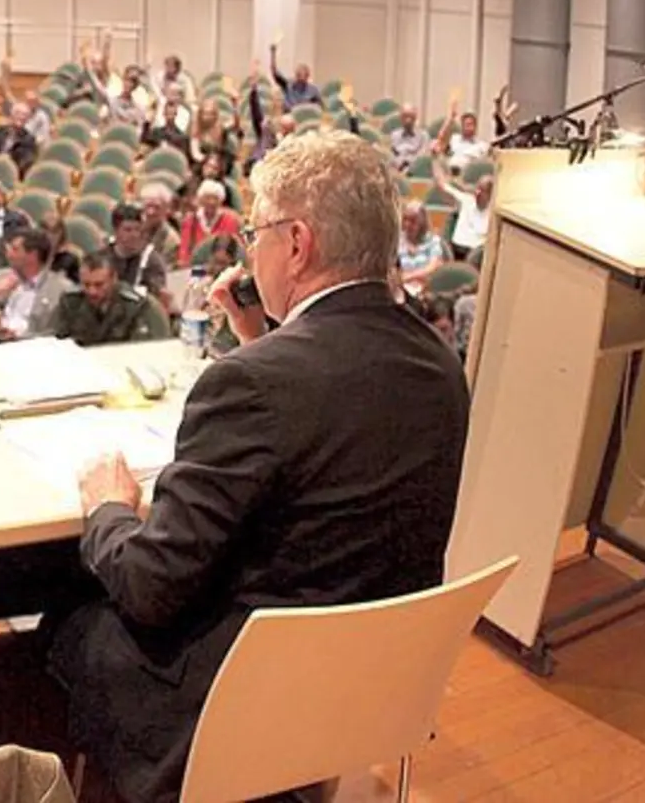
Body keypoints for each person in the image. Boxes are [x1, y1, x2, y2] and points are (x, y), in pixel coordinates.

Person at [50, 131, 470, 803]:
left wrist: (107, 506)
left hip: (241, 703)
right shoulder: (439, 365)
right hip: (366, 687)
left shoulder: (252, 385)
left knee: (69, 618)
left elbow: (149, 587)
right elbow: (337, 421)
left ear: (297, 244)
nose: (250, 252)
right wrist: (269, 339)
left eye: (255, 234)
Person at [0, 228, 73, 341]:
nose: (8, 254)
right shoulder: (0, 277)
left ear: (32, 255)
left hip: (31, 348)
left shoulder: (60, 288)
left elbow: (54, 332)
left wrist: (18, 336)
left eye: (15, 249)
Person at [54, 251, 157, 347]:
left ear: (114, 279)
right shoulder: (70, 302)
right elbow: (56, 342)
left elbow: (139, 350)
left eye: (99, 285)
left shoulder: (134, 306)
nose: (92, 291)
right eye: (86, 284)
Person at [102, 203, 170, 313]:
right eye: (128, 230)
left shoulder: (151, 260)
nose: (134, 235)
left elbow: (157, 300)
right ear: (116, 231)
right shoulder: (103, 257)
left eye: (137, 229)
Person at [431, 153, 494, 259]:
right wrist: (435, 158)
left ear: (490, 194)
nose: (478, 193)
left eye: (482, 190)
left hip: (479, 257)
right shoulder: (466, 200)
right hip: (456, 251)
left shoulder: (493, 213)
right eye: (477, 188)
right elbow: (442, 184)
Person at [178, 179, 242, 266]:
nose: (211, 202)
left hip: (223, 267)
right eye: (208, 198)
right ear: (200, 200)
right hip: (196, 267)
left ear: (221, 201)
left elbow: (236, 248)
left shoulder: (230, 220)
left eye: (215, 198)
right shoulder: (190, 220)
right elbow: (184, 251)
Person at [0, 56, 53, 145]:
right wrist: (4, 75)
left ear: (37, 102)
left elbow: (42, 139)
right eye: (28, 101)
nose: (29, 104)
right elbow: (6, 94)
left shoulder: (41, 117)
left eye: (32, 101)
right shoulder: (20, 110)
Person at [397, 200, 447, 296]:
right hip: (401, 290)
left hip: (426, 290)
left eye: (413, 220)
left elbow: (433, 267)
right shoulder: (397, 240)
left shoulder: (433, 241)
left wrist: (408, 277)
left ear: (422, 222)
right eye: (405, 219)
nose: (407, 224)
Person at [138, 184, 180, 266]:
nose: (151, 212)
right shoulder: (133, 229)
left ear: (165, 209)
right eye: (148, 206)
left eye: (157, 207)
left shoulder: (172, 240)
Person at [268, 42, 322, 107]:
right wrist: (273, 54)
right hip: (289, 114)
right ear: (295, 75)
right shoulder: (287, 84)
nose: (300, 79)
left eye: (303, 77)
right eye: (298, 75)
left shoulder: (313, 90)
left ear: (308, 77)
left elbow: (319, 106)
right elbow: (274, 72)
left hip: (305, 114)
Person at [388, 103, 429, 174]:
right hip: (397, 169)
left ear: (415, 118)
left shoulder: (423, 136)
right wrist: (399, 164)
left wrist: (406, 164)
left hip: (415, 171)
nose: (408, 120)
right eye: (405, 116)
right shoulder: (394, 135)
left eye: (411, 117)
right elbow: (393, 154)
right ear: (400, 118)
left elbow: (421, 157)